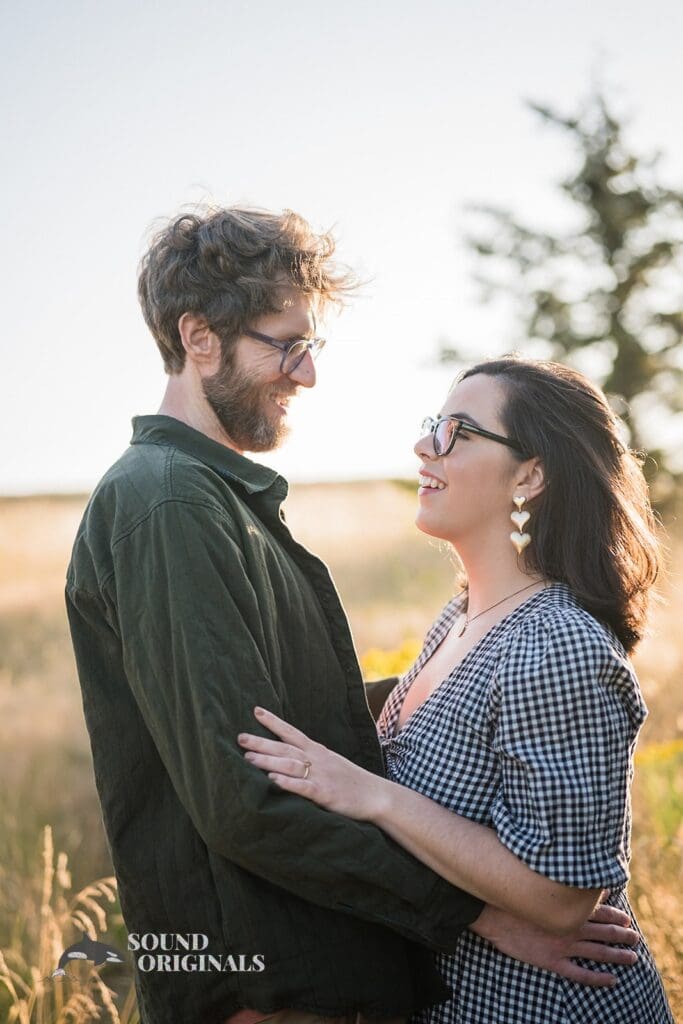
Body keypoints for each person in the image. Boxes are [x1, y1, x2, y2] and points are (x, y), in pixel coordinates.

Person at [65, 209, 639, 1024]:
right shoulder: (169, 504)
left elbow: (276, 711)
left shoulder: (214, 500)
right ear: (199, 338)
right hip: (263, 987)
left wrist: (468, 692)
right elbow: (242, 791)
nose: (305, 374)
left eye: (311, 347)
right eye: (285, 344)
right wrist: (473, 913)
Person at [237, 357, 674, 1023]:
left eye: (458, 432)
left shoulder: (556, 645)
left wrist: (375, 796)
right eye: (432, 425)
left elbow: (561, 900)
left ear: (529, 476)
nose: (424, 446)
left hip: (544, 1007)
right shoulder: (462, 616)